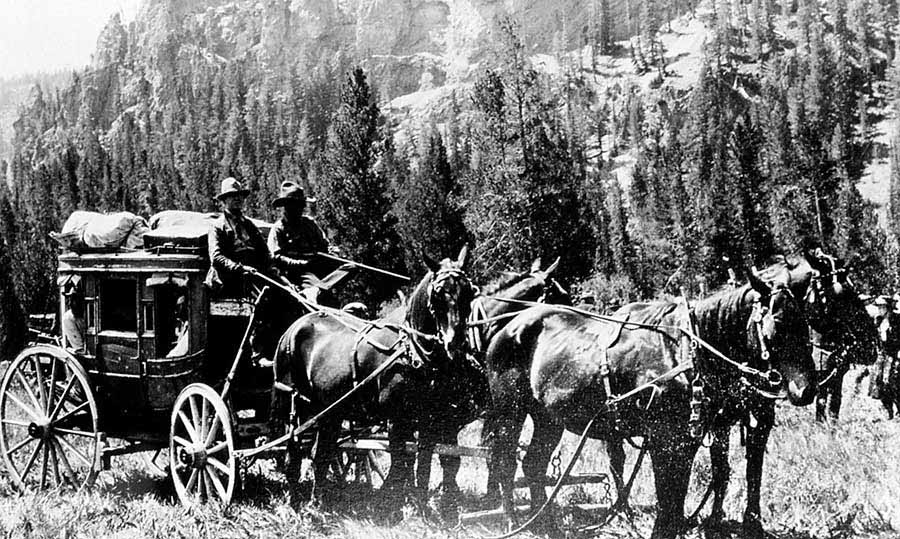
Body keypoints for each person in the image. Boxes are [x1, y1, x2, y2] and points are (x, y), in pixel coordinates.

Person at [267, 181, 351, 303]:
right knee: (315, 283)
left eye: (301, 205)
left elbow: (326, 246)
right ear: (286, 206)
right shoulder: (278, 228)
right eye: (295, 205)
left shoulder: (310, 224)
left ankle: (319, 288)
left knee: (350, 267)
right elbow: (276, 257)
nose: (300, 208)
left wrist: (334, 254)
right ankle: (319, 289)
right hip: (298, 272)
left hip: (318, 265)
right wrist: (303, 263)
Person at [205, 177, 276, 297]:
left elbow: (264, 252)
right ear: (224, 200)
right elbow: (216, 257)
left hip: (254, 273)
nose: (237, 199)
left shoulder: (249, 225)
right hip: (229, 278)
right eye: (232, 196)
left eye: (240, 196)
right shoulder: (217, 226)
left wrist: (272, 268)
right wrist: (240, 268)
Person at [61, 288, 86, 355]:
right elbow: (79, 347)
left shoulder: (87, 315)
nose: (70, 303)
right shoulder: (68, 318)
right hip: (79, 352)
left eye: (74, 300)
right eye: (69, 299)